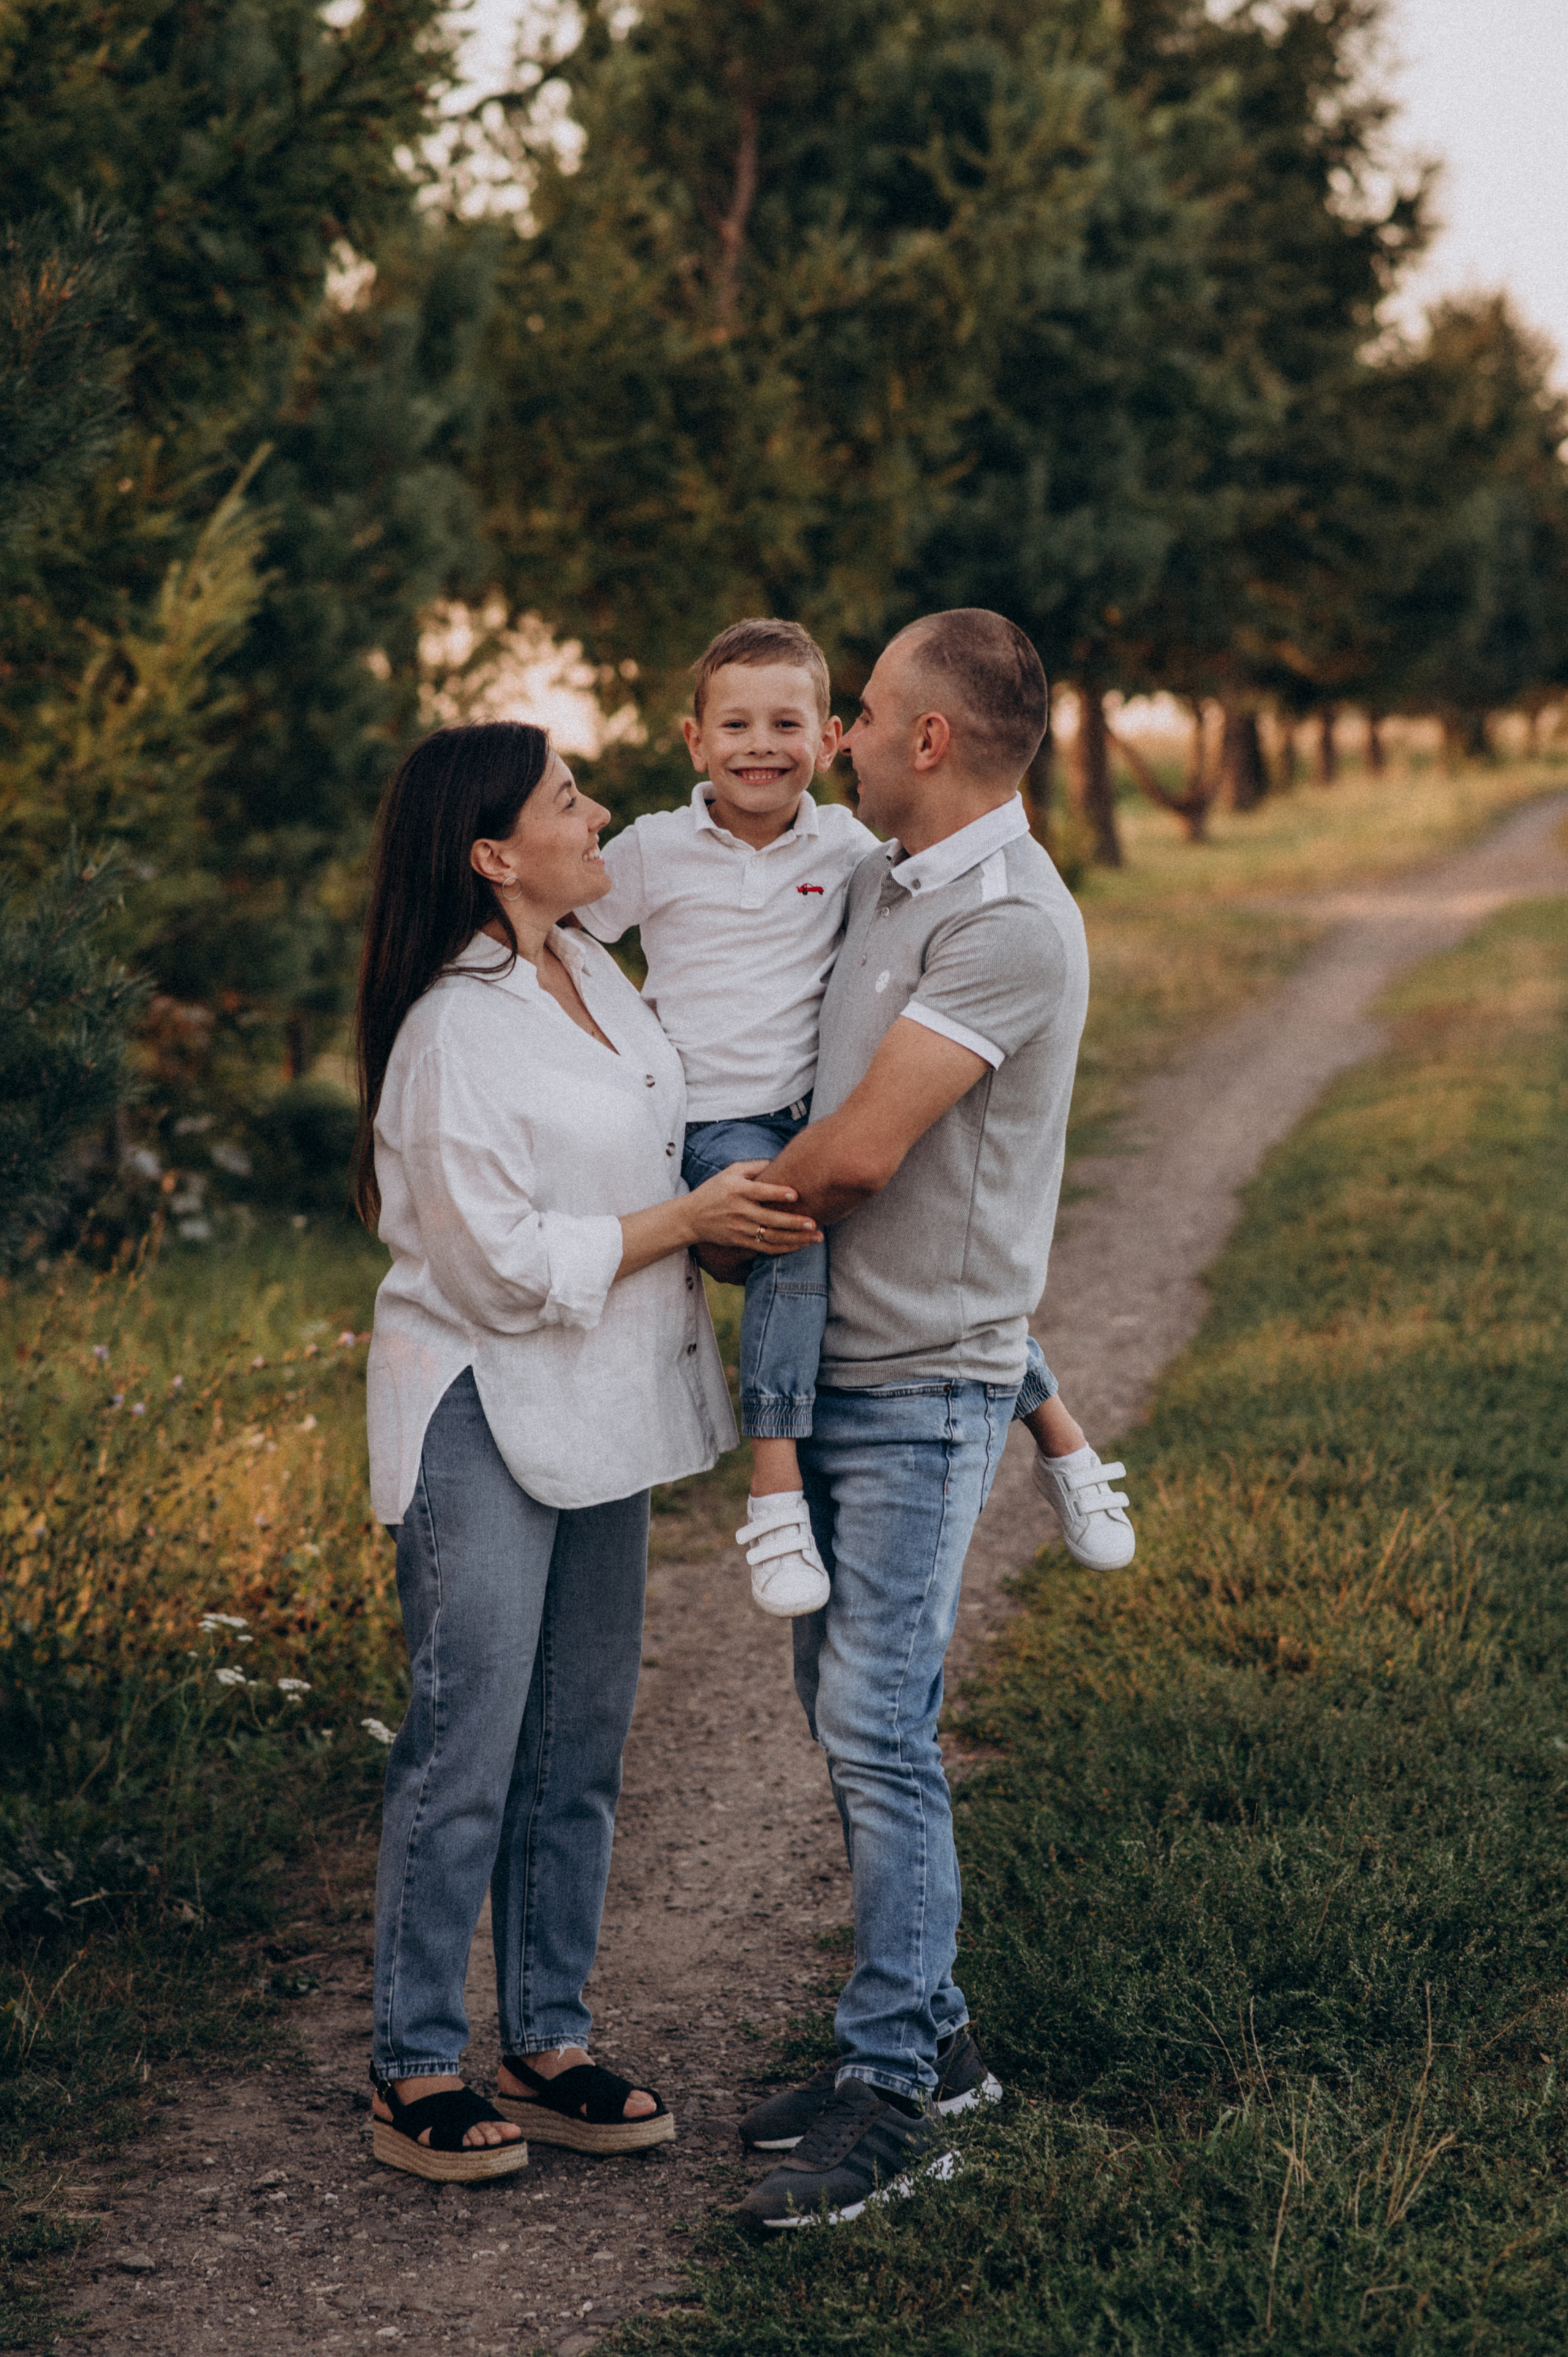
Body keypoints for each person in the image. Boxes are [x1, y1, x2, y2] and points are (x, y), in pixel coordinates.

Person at [355, 721, 820, 2181]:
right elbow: (489, 1263)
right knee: (468, 1741)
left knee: (578, 1745)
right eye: (570, 798)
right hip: (482, 1405)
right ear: (494, 853)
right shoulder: (450, 1029)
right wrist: (686, 1225)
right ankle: (413, 2060)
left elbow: (669, 1127)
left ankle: (545, 2034)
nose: (600, 808)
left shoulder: (599, 981)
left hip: (603, 1403)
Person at [727, 610, 1106, 2230]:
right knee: (846, 1712)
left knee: (879, 1723)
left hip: (929, 1390)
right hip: (837, 1381)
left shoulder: (1012, 923)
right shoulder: (893, 877)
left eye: (867, 713)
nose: (843, 739)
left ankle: (893, 2088)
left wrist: (676, 1228)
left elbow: (862, 1154)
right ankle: (934, 2037)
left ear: (932, 739)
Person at [579, 619, 1134, 1622]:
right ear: (694, 741)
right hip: (719, 1118)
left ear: (833, 736)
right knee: (800, 1237)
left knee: (883, 1257)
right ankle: (799, 1480)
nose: (764, 745)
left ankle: (1041, 1441)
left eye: (795, 723)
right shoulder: (660, 849)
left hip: (809, 1106)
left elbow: (934, 881)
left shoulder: (850, 851)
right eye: (735, 725)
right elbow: (567, 926)